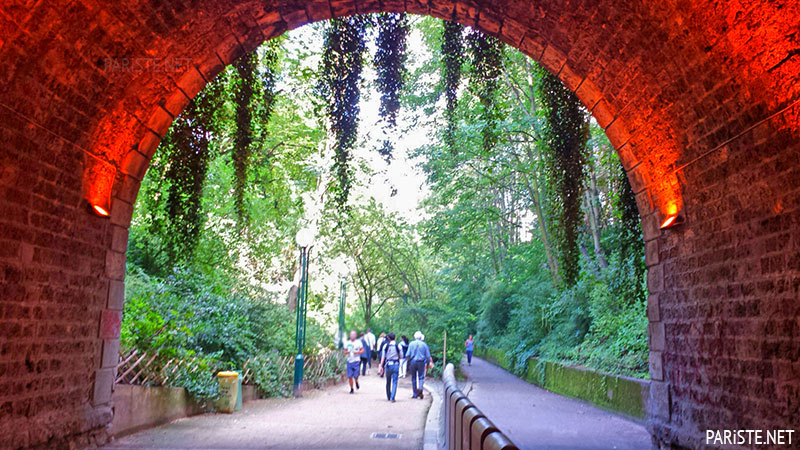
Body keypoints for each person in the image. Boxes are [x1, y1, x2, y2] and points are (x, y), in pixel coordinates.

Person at [405, 331, 432, 399]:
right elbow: (428, 356)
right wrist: (428, 363)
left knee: (413, 377)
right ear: (420, 337)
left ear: (414, 337)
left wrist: (408, 362)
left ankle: (415, 394)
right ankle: (420, 389)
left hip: (413, 361)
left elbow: (407, 355)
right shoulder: (424, 344)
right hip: (421, 362)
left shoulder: (411, 344)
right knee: (421, 377)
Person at [378, 332, 404, 402]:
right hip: (395, 365)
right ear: (395, 338)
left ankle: (388, 396)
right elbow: (401, 356)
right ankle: (393, 397)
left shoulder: (385, 346)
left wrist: (381, 366)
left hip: (388, 365)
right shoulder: (398, 345)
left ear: (388, 338)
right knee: (395, 381)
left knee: (388, 381)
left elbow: (383, 357)